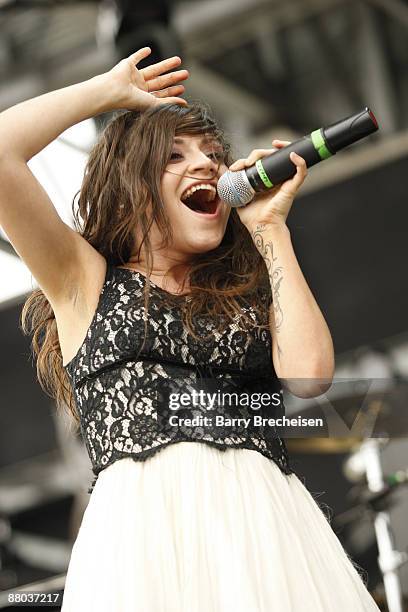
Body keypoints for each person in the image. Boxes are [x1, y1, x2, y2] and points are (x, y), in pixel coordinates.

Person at [0, 47, 380, 611]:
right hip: (147, 537)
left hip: (266, 525)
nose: (206, 165)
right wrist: (105, 91)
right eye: (174, 157)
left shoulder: (245, 296)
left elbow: (309, 378)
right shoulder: (82, 279)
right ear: (130, 185)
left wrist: (270, 228)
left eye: (214, 155)